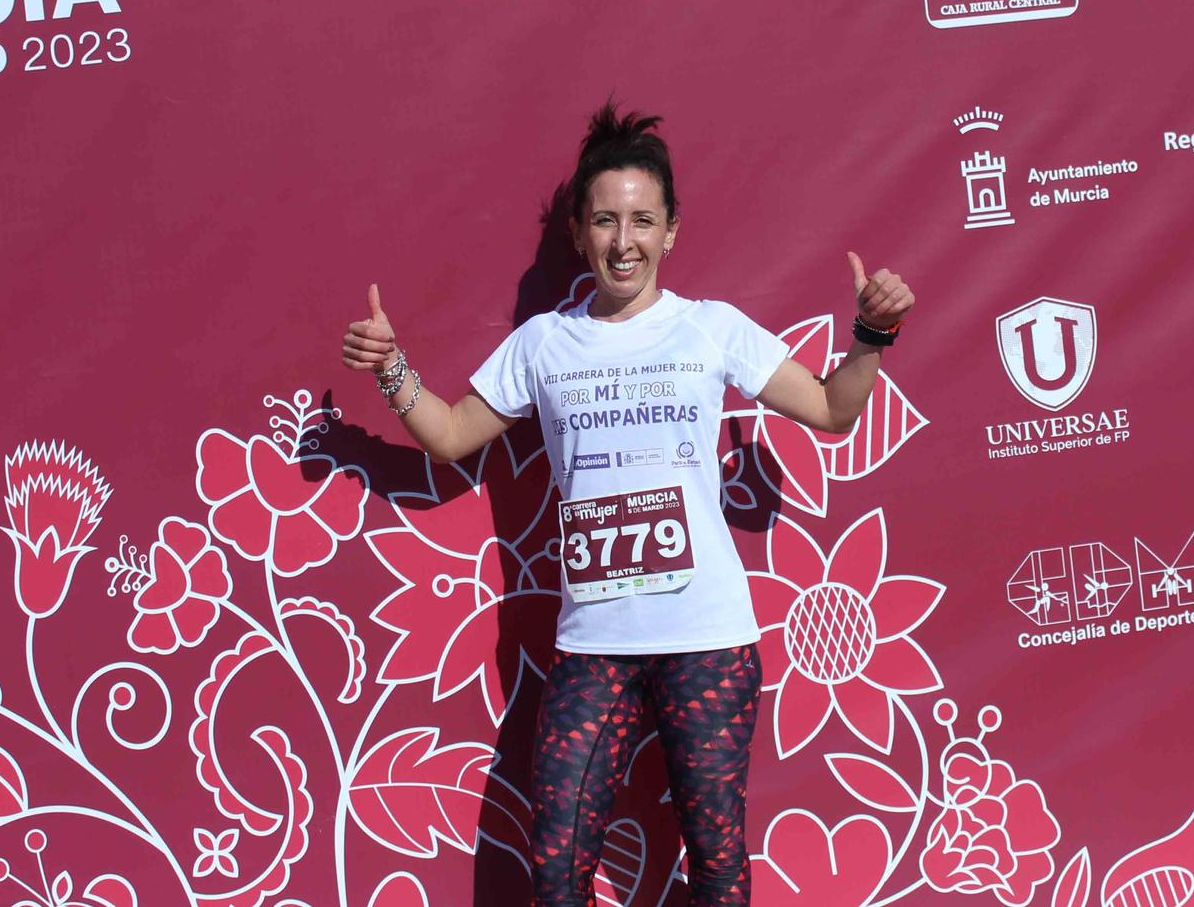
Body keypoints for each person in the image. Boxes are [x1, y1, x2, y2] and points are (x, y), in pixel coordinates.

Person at [341, 104, 914, 907]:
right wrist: (392, 368)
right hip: (594, 645)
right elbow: (451, 434)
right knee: (557, 864)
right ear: (580, 232)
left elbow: (830, 409)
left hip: (709, 640)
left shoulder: (711, 330)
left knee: (718, 864)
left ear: (672, 230)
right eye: (605, 220)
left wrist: (869, 338)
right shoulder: (545, 342)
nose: (624, 241)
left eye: (643, 220)